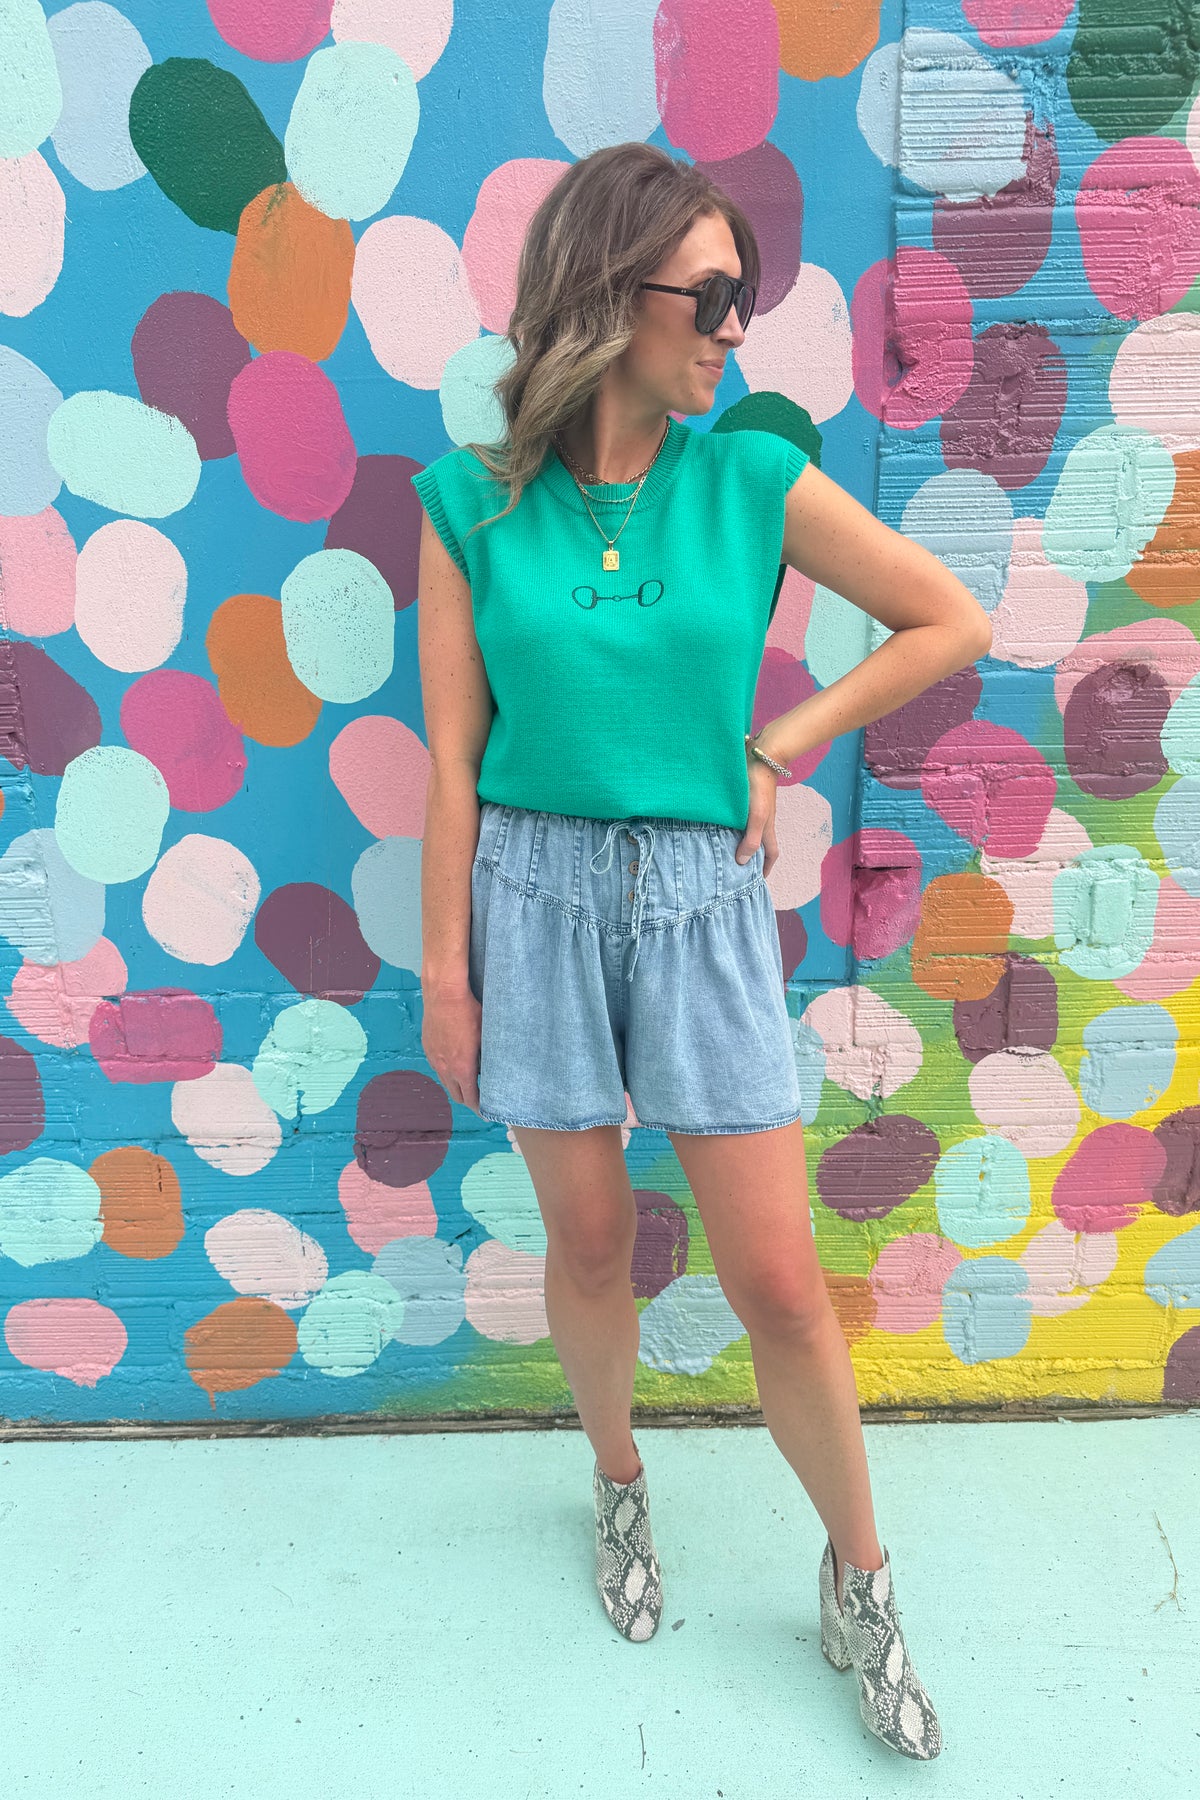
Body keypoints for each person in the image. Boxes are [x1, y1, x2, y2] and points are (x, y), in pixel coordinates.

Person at [412, 142, 990, 1763]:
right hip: (529, 897)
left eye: (751, 295)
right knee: (591, 1244)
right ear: (612, 291)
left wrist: (780, 744)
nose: (739, 327)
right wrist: (447, 970)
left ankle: (860, 1581)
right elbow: (453, 760)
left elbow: (949, 618)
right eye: (715, 294)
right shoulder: (471, 503)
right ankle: (617, 1484)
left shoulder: (749, 477)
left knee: (781, 1287)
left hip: (700, 902)